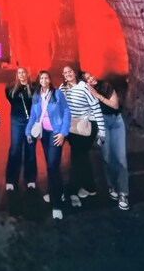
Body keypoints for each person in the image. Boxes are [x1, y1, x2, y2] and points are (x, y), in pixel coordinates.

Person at [26, 71, 71, 219]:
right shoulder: (37, 95)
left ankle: (56, 204)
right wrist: (28, 131)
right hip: (44, 134)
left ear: (50, 80)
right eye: (42, 78)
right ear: (39, 80)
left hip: (55, 133)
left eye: (46, 77)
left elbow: (66, 112)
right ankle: (58, 192)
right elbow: (33, 115)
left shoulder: (57, 94)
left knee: (52, 166)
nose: (44, 80)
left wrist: (63, 132)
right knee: (51, 166)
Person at [59, 65, 105, 208]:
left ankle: (76, 189)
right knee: (79, 157)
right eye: (65, 72)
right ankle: (88, 187)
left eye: (70, 71)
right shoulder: (63, 88)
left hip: (87, 126)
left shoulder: (84, 87)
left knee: (79, 157)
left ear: (75, 73)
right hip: (73, 127)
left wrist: (102, 131)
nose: (68, 74)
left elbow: (96, 107)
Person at [83, 72, 130, 211]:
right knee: (107, 157)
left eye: (91, 76)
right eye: (87, 79)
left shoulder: (105, 86)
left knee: (120, 158)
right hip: (101, 124)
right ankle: (112, 186)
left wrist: (98, 96)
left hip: (116, 122)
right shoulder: (85, 95)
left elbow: (115, 105)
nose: (91, 78)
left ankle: (123, 193)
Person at [5, 67, 36, 191]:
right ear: (17, 75)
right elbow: (10, 101)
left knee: (30, 150)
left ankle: (30, 178)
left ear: (27, 74)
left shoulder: (34, 88)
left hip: (31, 121)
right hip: (16, 121)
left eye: (23, 72)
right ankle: (11, 179)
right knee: (15, 149)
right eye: (19, 73)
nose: (21, 75)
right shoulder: (11, 88)